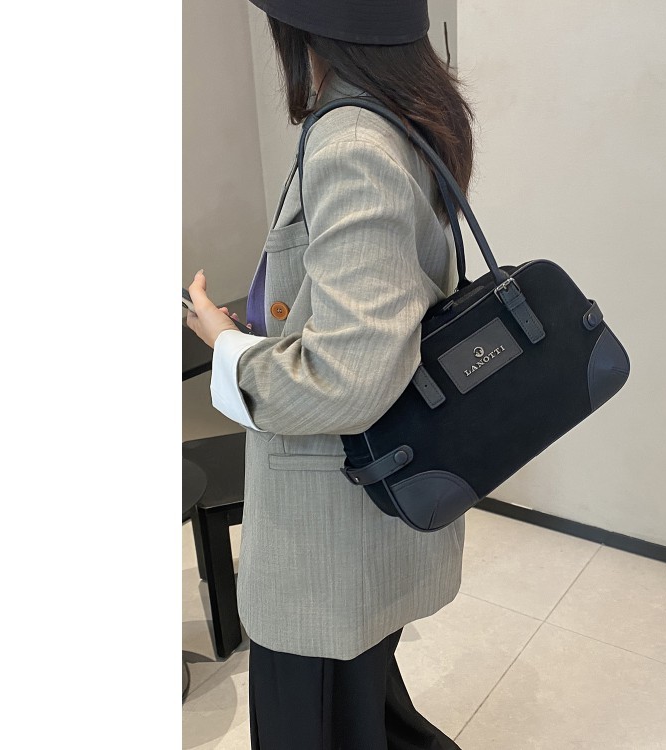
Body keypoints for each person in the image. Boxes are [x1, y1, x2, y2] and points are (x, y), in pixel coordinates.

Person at [185, 1, 473, 747]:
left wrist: (225, 343)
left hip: (328, 523)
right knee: (361, 710)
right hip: (363, 504)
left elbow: (347, 376)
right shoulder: (405, 112)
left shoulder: (351, 141)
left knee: (311, 723)